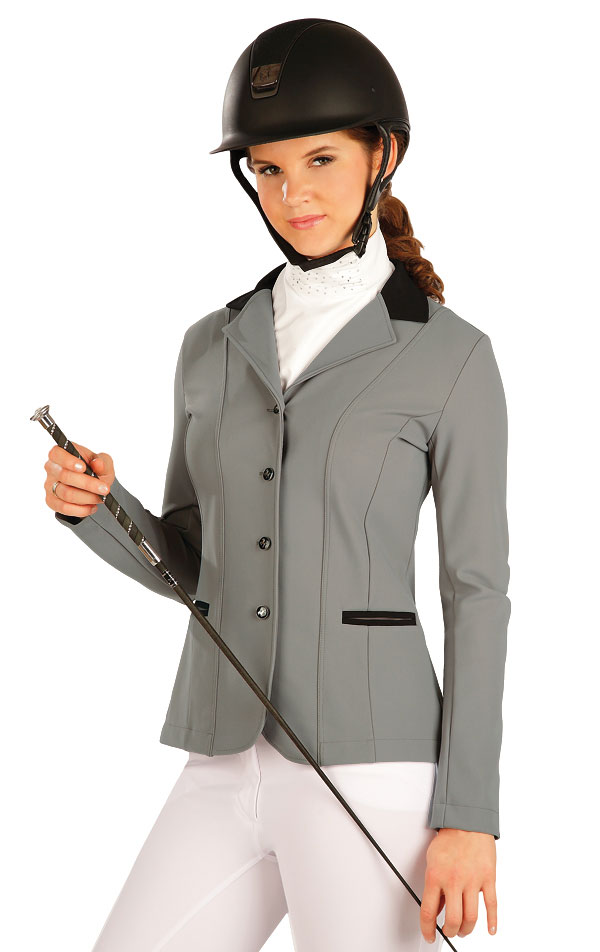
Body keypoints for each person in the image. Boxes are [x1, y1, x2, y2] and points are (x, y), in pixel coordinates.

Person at [44, 18, 509, 951]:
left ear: (382, 156)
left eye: (321, 159)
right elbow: (195, 563)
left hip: (373, 768)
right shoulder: (211, 346)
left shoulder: (453, 358)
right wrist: (100, 509)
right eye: (267, 169)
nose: (293, 192)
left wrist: (471, 815)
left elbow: (477, 592)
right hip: (222, 757)